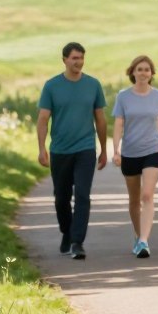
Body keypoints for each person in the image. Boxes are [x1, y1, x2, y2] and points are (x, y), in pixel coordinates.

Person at [36, 42, 108, 260]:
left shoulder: (93, 85)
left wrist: (104, 149)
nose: (79, 61)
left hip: (85, 148)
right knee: (61, 198)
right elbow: (42, 119)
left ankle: (77, 241)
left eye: (81, 57)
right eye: (75, 58)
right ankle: (66, 232)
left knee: (83, 195)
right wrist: (41, 149)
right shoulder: (52, 86)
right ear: (65, 60)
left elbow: (101, 120)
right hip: (60, 150)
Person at [113, 55, 158, 259]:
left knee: (147, 195)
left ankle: (144, 240)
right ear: (133, 72)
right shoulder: (123, 96)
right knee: (134, 199)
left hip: (153, 150)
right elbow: (119, 124)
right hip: (130, 152)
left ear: (152, 73)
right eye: (139, 69)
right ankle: (138, 236)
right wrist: (116, 150)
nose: (143, 73)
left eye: (147, 69)